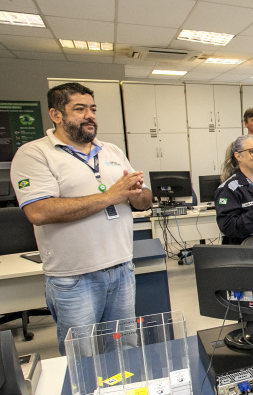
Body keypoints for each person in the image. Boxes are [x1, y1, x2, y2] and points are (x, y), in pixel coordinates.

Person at [11, 82, 152, 354]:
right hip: (74, 277)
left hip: (121, 269)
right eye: (79, 109)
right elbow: (38, 211)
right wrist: (110, 196)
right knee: (83, 358)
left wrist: (135, 194)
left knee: (125, 351)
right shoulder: (34, 154)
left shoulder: (111, 151)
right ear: (56, 115)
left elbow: (144, 200)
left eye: (93, 109)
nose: (90, 115)